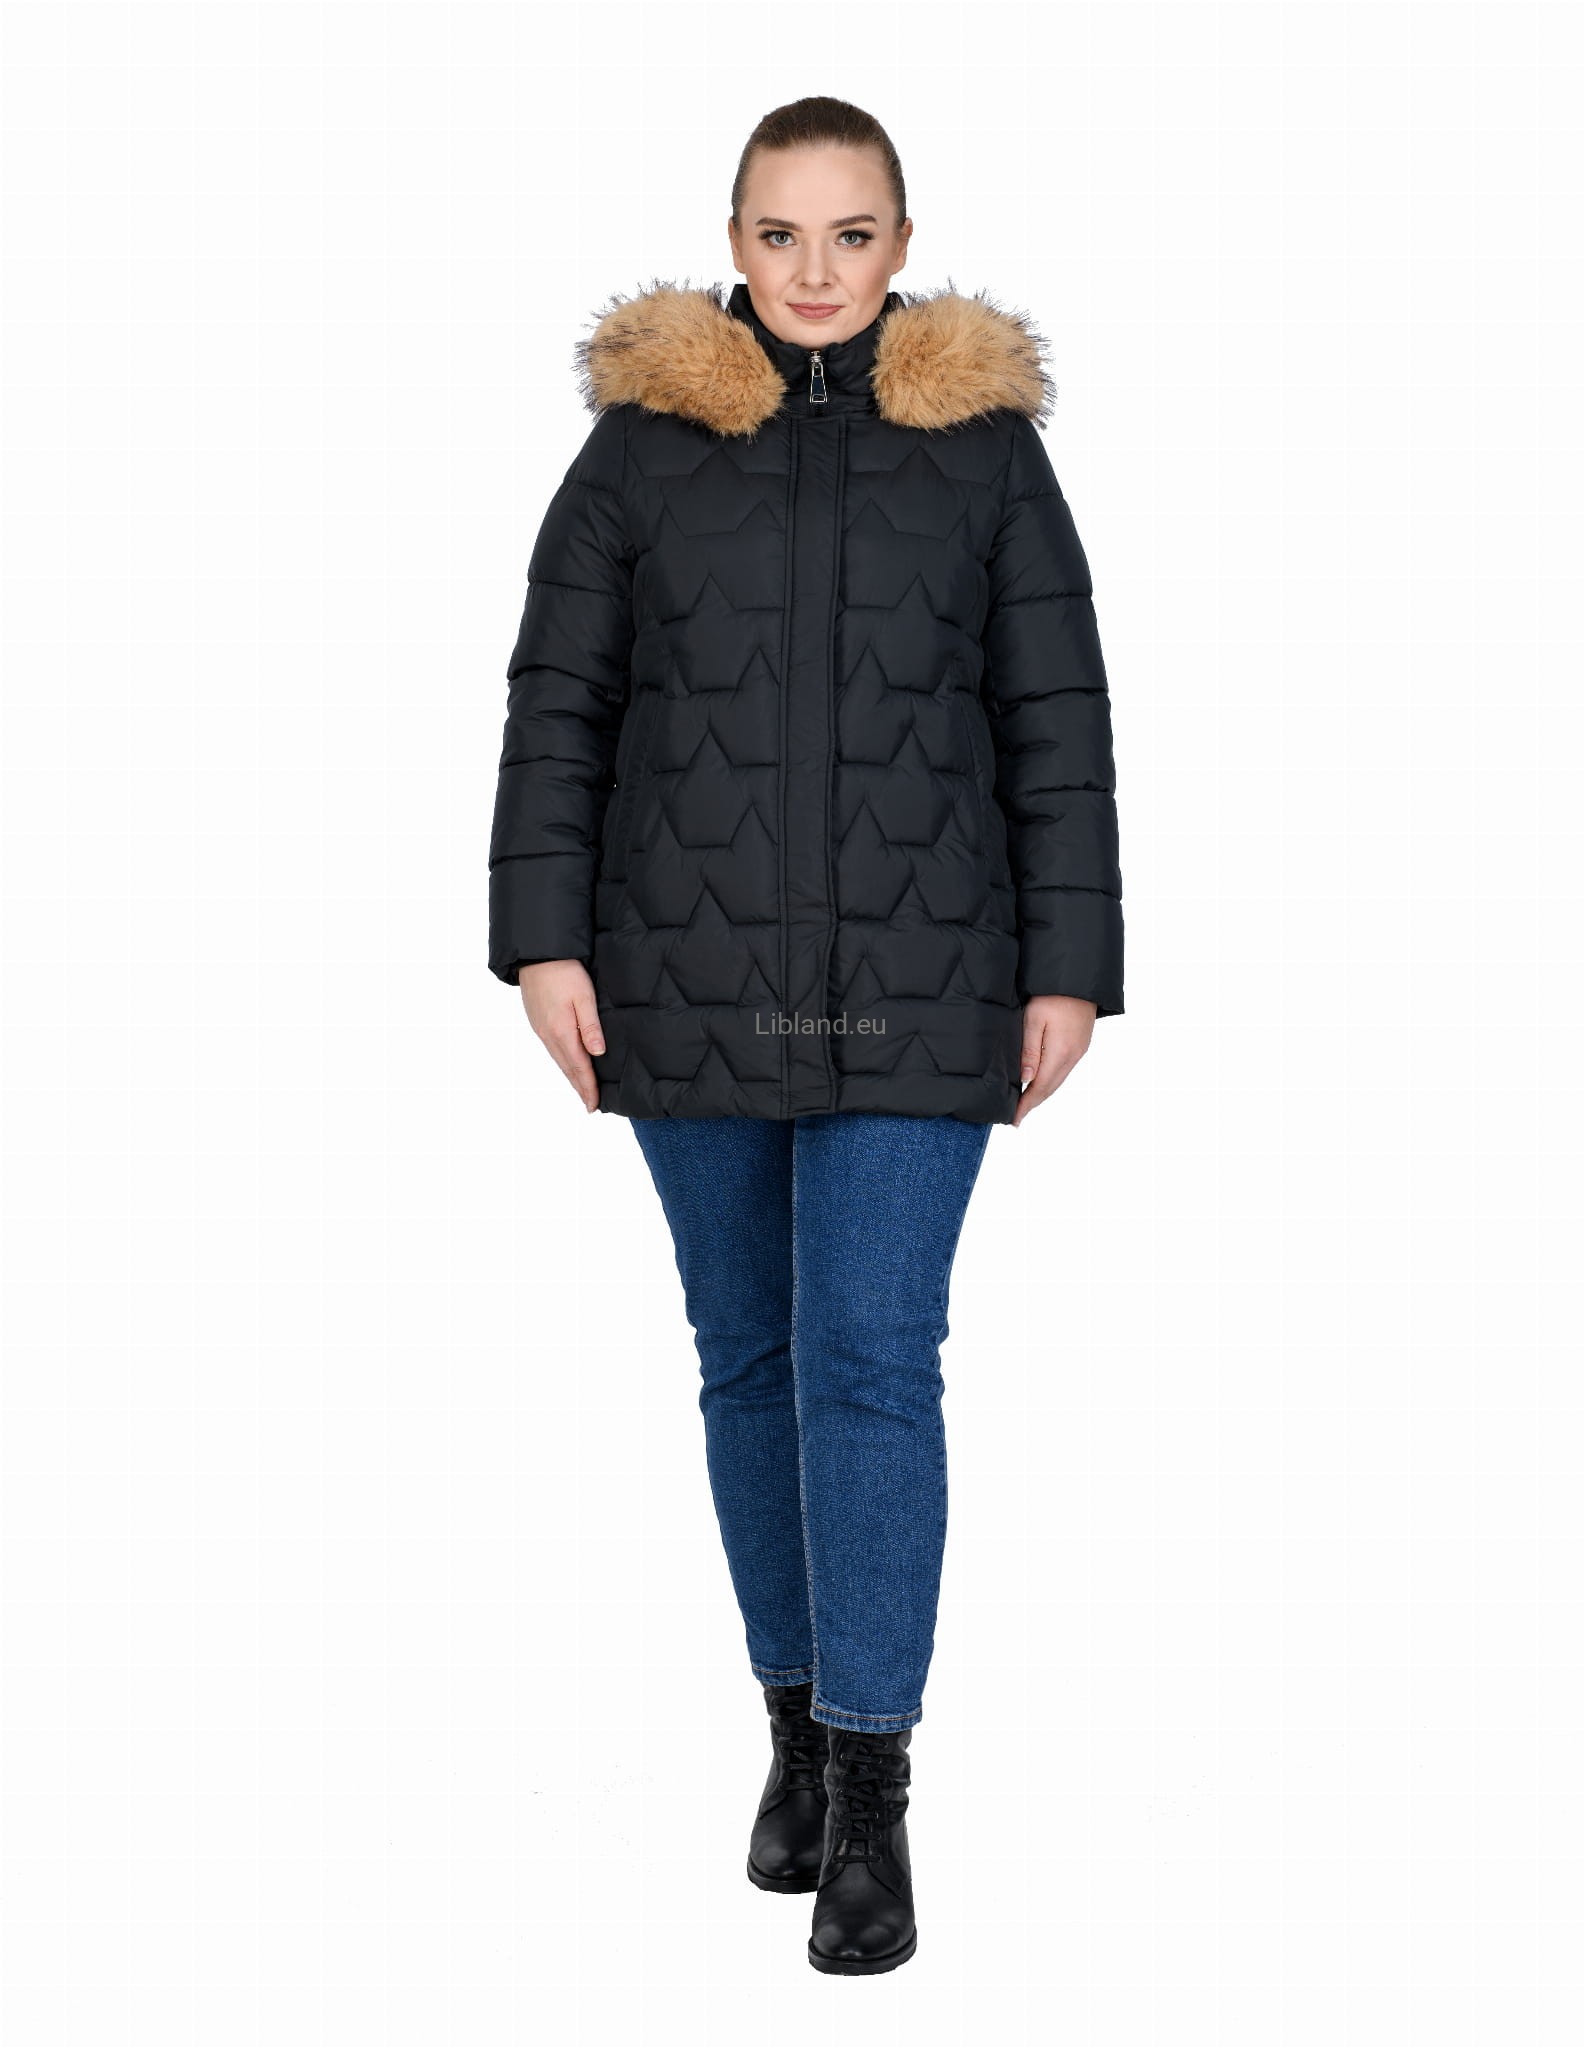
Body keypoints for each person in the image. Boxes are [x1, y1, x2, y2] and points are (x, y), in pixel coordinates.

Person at [487, 95, 1123, 1976]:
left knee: (869, 1358)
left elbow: (1056, 716)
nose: (816, 271)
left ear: (901, 243)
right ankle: (789, 1714)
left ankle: (869, 1789)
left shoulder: (986, 453)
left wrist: (1069, 965)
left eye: (852, 235)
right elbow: (558, 700)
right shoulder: (639, 445)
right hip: (678, 969)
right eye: (780, 234)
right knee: (750, 1362)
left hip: (929, 979)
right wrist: (540, 943)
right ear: (733, 242)